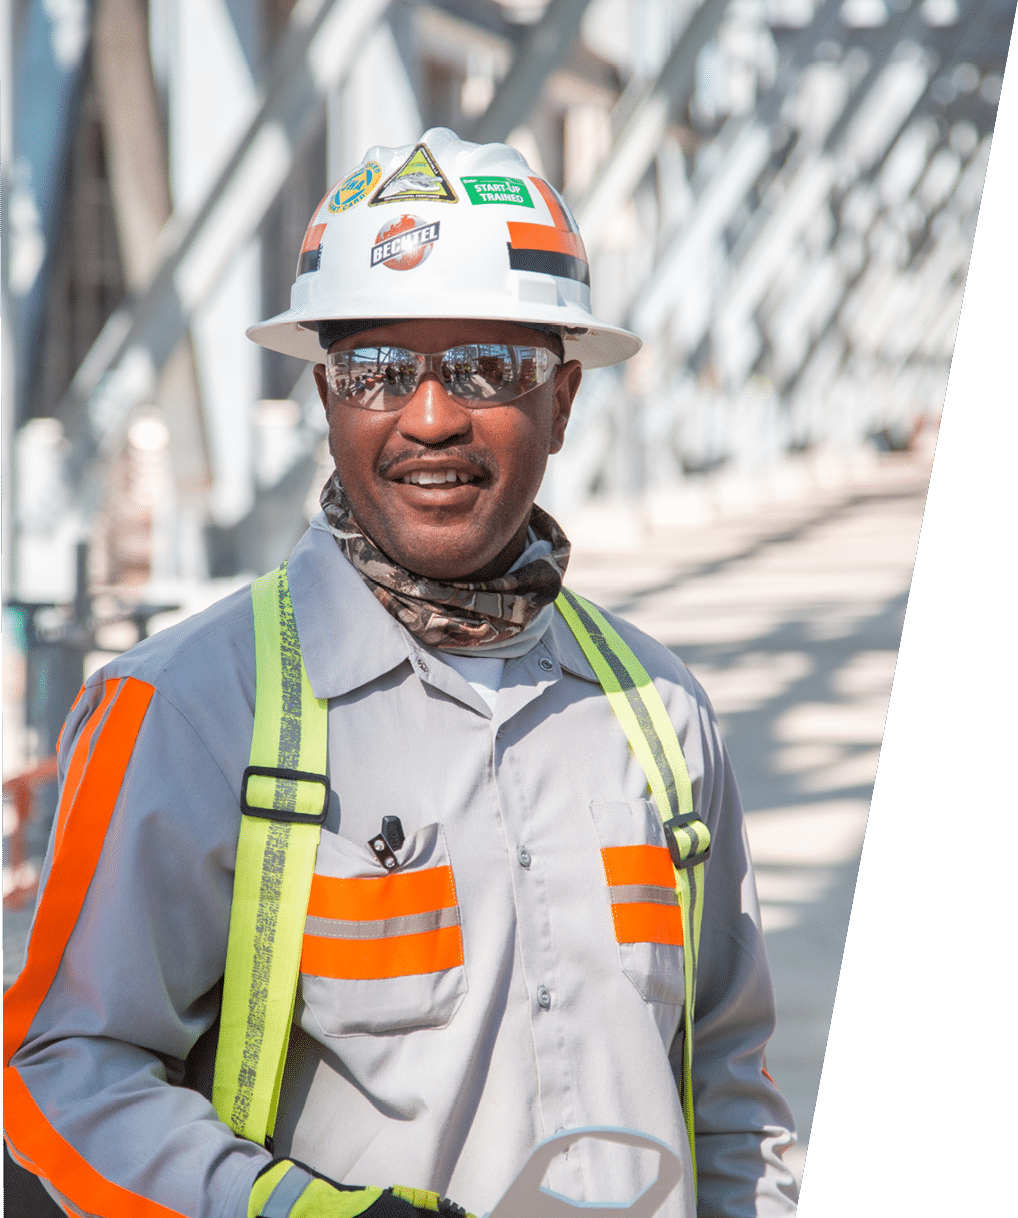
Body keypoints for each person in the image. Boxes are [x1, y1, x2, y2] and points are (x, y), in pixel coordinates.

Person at [3, 129, 798, 1218]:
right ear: (328, 400)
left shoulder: (658, 714)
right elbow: (63, 1072)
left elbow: (731, 1087)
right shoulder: (188, 711)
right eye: (377, 370)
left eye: (489, 368)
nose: (430, 417)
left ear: (562, 403)